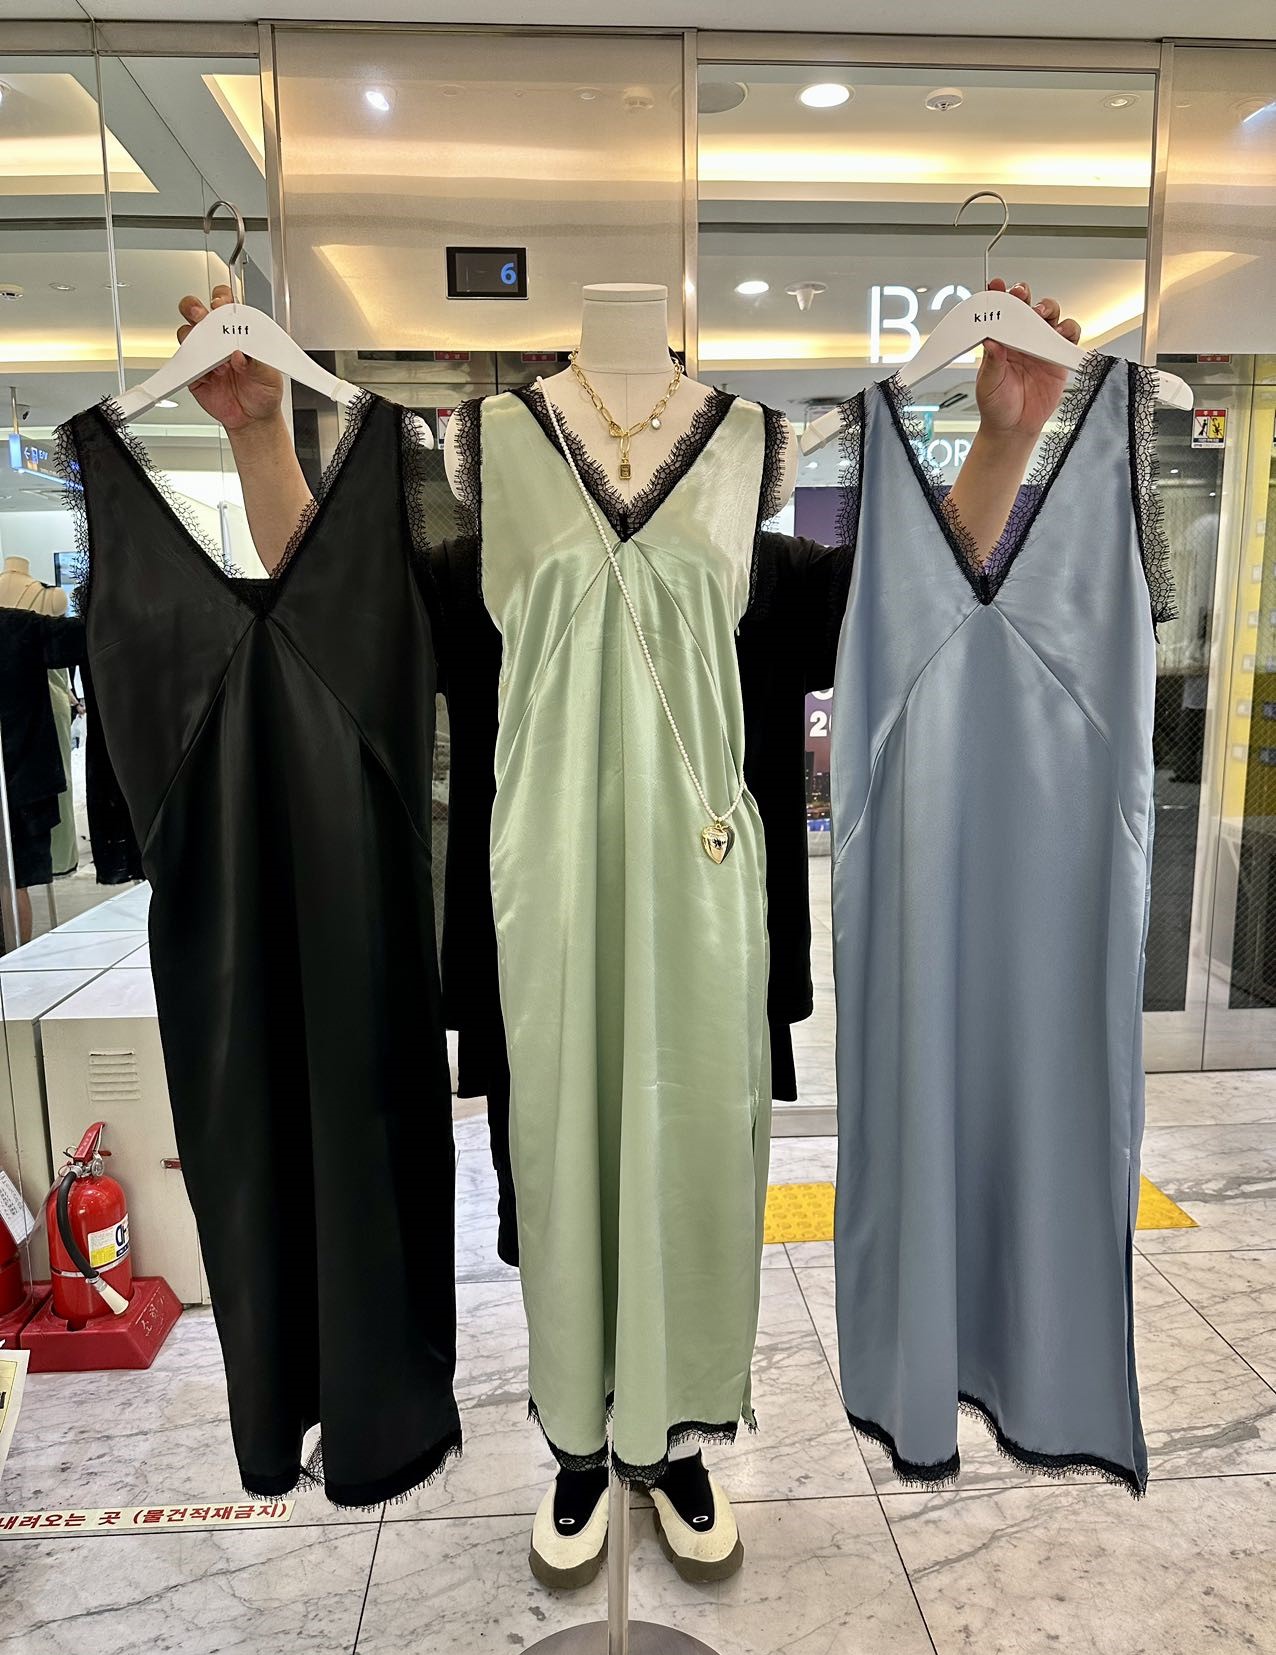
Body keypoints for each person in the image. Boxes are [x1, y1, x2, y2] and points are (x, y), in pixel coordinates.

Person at [172, 277, 1082, 1573]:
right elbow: (338, 606)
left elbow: (906, 601)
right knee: (563, 1195)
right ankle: (580, 1442)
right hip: (544, 936)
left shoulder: (745, 486)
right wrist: (262, 434)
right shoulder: (498, 486)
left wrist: (1005, 436)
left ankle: (671, 1439)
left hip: (705, 932)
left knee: (690, 1187)